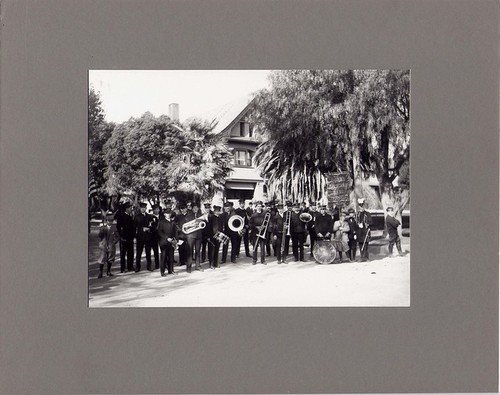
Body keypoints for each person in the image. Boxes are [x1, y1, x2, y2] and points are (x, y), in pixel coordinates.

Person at [97, 211, 120, 278]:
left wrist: (114, 242)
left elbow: (118, 236)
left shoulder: (114, 227)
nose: (110, 222)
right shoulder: (103, 227)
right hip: (103, 245)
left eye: (111, 221)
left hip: (111, 245)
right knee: (102, 258)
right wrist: (102, 231)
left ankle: (108, 271)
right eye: (109, 221)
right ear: (106, 221)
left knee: (110, 258)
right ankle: (100, 272)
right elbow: (99, 236)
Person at [134, 202, 154, 272]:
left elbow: (152, 226)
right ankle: (137, 267)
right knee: (139, 253)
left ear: (146, 208)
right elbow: (134, 228)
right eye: (142, 208)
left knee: (148, 252)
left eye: (144, 208)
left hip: (148, 237)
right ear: (140, 208)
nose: (143, 209)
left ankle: (149, 266)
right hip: (140, 237)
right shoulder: (136, 217)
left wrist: (149, 229)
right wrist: (135, 236)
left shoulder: (149, 216)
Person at [116, 201, 135, 273]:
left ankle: (130, 266)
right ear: (126, 209)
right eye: (130, 208)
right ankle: (123, 268)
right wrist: (121, 236)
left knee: (130, 253)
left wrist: (133, 236)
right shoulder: (121, 216)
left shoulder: (131, 216)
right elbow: (118, 227)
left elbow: (133, 227)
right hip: (124, 238)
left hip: (130, 238)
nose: (131, 209)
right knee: (123, 254)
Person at [157, 210, 178, 276]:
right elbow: (159, 232)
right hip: (164, 242)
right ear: (164, 214)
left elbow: (175, 232)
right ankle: (162, 272)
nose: (168, 214)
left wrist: (176, 239)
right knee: (163, 257)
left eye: (169, 213)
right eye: (167, 213)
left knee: (171, 256)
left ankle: (171, 270)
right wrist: (166, 238)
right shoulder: (161, 222)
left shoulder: (173, 222)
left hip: (171, 242)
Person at [175, 204, 190, 270]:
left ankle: (187, 260)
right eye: (182, 209)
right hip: (180, 235)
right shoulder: (178, 216)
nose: (183, 210)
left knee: (187, 248)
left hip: (188, 234)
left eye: (184, 208)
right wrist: (178, 228)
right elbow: (175, 224)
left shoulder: (189, 216)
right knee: (180, 248)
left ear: (186, 208)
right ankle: (181, 261)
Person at [150, 204, 162, 270]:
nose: (157, 210)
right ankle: (157, 264)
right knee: (155, 251)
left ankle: (164, 263)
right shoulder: (150, 217)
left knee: (163, 249)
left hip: (161, 236)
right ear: (153, 210)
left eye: (158, 209)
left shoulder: (162, 216)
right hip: (154, 236)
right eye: (155, 209)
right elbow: (150, 226)